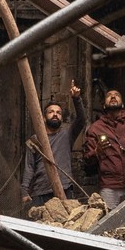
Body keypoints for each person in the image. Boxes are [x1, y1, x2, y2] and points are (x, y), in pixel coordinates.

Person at [20, 81, 87, 211]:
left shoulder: (67, 135)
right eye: (51, 112)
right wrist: (24, 191)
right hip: (40, 192)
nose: (55, 114)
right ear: (44, 118)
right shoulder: (34, 140)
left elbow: (81, 119)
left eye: (58, 112)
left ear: (62, 118)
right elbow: (29, 167)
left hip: (64, 189)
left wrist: (76, 98)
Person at [82, 88, 125, 209]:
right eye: (109, 96)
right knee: (108, 222)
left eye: (116, 95)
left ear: (122, 104)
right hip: (109, 186)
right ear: (104, 105)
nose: (113, 97)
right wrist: (97, 151)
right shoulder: (95, 128)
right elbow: (87, 160)